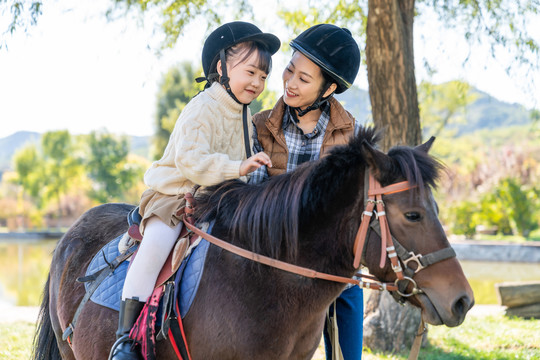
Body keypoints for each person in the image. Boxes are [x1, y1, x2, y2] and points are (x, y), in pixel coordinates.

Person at [109, 21, 280, 360]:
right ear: (221, 67)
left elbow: (244, 166)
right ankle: (125, 339)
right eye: (250, 72)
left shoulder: (245, 117)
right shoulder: (202, 108)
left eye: (263, 76)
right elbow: (191, 161)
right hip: (174, 197)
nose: (257, 83)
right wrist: (238, 168)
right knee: (157, 244)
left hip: (214, 202)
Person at [248, 24, 363, 359]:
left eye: (303, 79)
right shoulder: (260, 126)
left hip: (326, 245)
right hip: (276, 243)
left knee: (349, 287)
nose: (290, 83)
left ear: (328, 89)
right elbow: (254, 193)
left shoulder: (351, 134)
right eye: (290, 70)